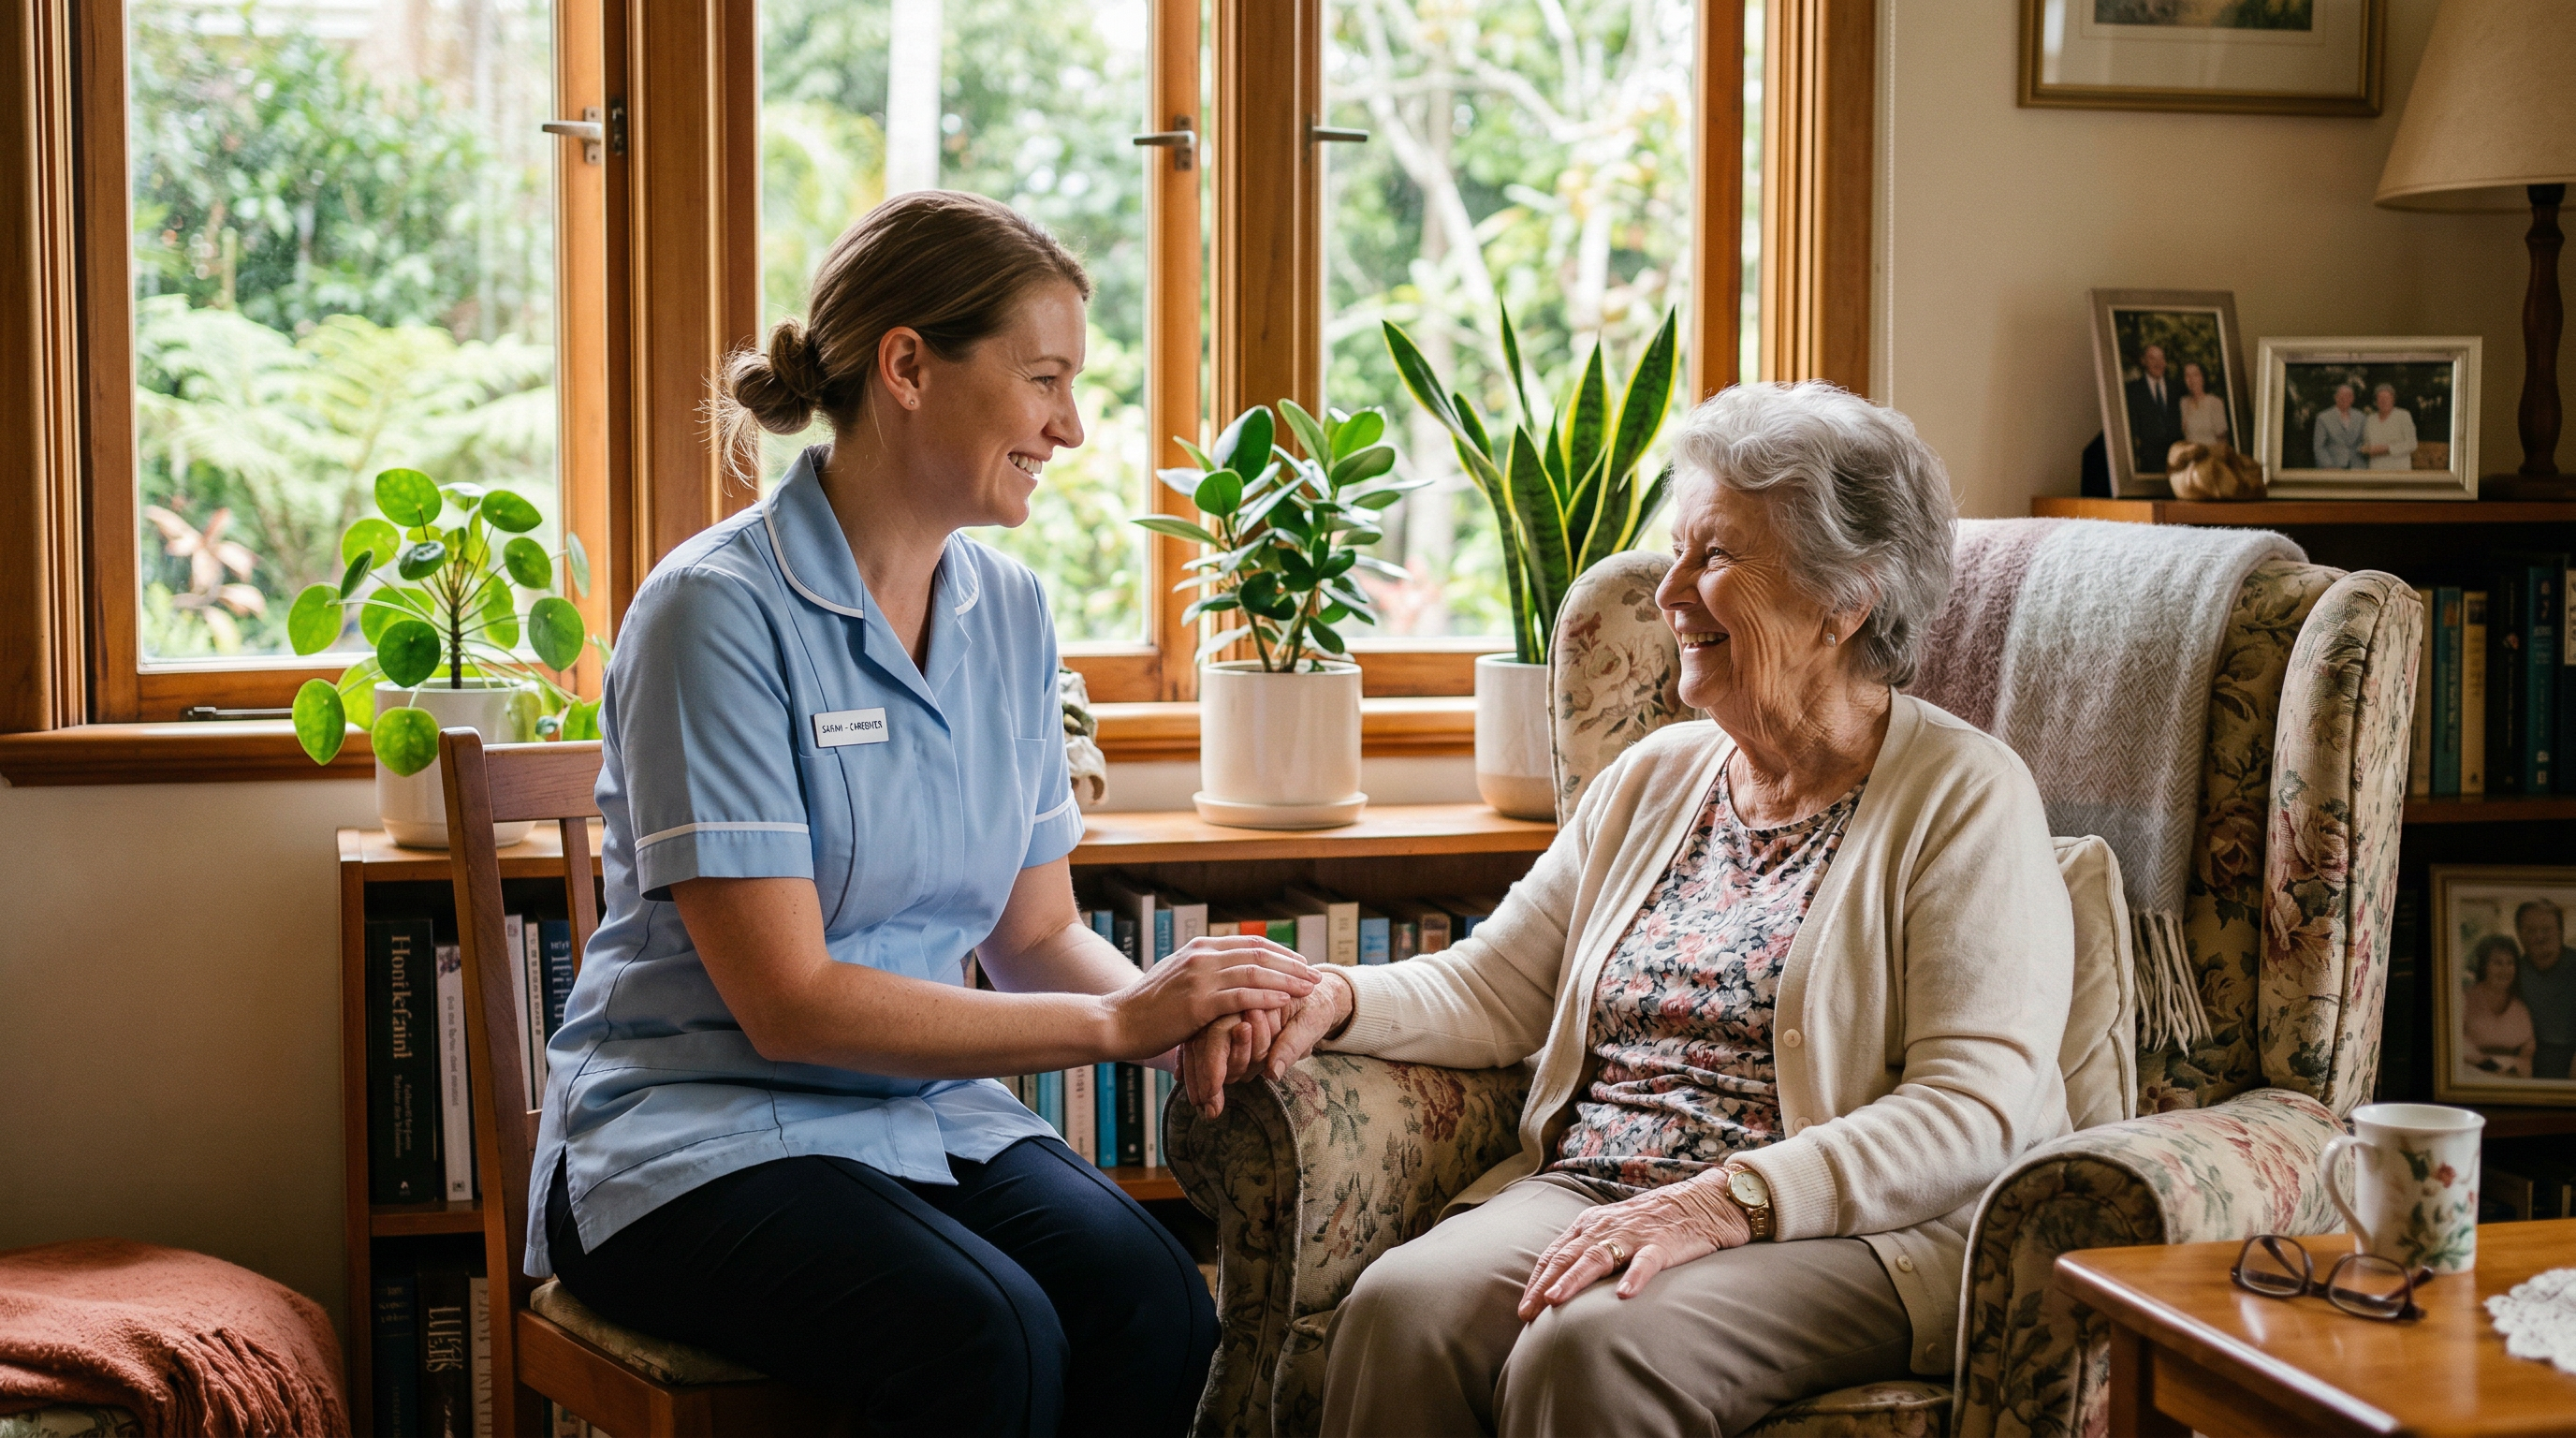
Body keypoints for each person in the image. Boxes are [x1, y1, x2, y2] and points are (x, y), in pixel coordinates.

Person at [524, 190, 1321, 1437]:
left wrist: (1190, 1022)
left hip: (918, 1117)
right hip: (689, 1137)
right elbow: (787, 1002)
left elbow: (1034, 934)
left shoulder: (1008, 613)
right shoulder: (714, 615)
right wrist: (1117, 1023)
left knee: (1158, 1303)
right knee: (984, 1338)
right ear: (907, 365)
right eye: (1044, 379)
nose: (1070, 425)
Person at [1223, 381, 2076, 1437]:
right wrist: (1332, 996)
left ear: (1841, 600)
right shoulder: (1655, 777)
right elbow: (1500, 986)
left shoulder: (1964, 796)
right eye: (1677, 551)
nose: (1668, 590)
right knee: (1403, 1313)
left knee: (1590, 1353)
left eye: (1713, 557)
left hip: (1847, 1233)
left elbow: (1970, 1111)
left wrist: (1727, 1200)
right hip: (1598, 1188)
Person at [2515, 900, 2576, 1080]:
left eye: (2546, 929)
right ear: (2520, 935)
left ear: (2560, 931)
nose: (2539, 937)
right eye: (2531, 930)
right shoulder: (2512, 971)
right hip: (2525, 1063)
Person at [2462, 935, 2537, 1078]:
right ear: (2484, 966)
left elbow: (2527, 1054)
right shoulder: (2464, 999)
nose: (2505, 969)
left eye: (2510, 963)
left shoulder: (2520, 1008)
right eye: (2498, 963)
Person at [2124, 344, 2186, 474]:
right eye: (2152, 358)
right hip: (2149, 465)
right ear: (2143, 361)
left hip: (2178, 463)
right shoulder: (2132, 390)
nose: (2159, 363)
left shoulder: (2177, 388)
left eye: (2161, 358)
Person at [2359, 382, 2418, 470]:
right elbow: (2367, 443)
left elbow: (2412, 444)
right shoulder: (2370, 419)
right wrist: (2366, 450)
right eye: (2380, 398)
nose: (2384, 401)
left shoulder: (2403, 416)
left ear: (2393, 400)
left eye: (2387, 398)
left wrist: (2387, 449)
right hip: (2376, 469)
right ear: (2376, 402)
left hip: (2398, 469)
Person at [2312, 383, 2367, 470]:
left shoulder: (2361, 416)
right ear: (2335, 397)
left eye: (2349, 396)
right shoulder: (2323, 418)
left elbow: (2365, 441)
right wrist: (2329, 466)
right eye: (2342, 396)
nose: (2345, 399)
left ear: (2353, 399)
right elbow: (2319, 447)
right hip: (2332, 467)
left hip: (2357, 467)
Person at [2177, 361, 2230, 446]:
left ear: (2202, 377)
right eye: (2187, 375)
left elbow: (2222, 440)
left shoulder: (2214, 402)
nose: (2191, 379)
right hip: (2191, 455)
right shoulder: (2183, 403)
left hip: (2211, 455)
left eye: (2195, 375)